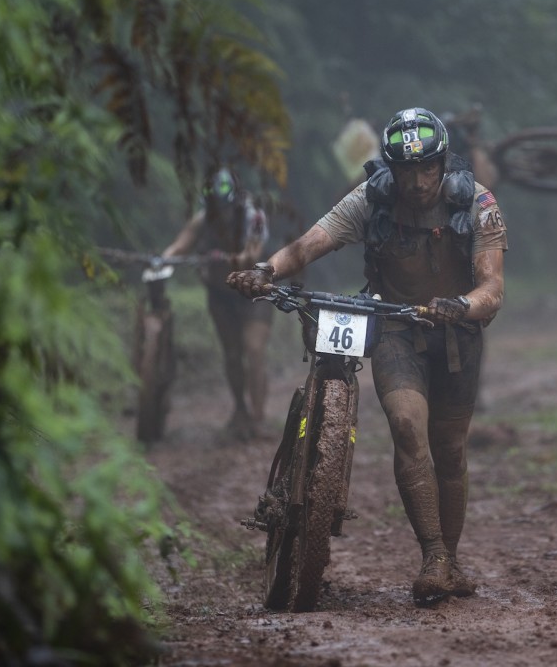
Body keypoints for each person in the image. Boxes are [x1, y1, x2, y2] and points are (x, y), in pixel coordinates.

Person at [227, 107, 507, 602]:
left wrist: (460, 306)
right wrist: (266, 270)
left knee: (449, 451)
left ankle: (452, 558)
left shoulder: (478, 204)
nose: (418, 182)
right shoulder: (370, 200)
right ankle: (434, 555)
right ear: (391, 168)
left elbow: (492, 288)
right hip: (397, 330)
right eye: (406, 170)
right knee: (404, 426)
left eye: (427, 169)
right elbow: (310, 243)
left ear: (443, 165)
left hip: (457, 337)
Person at [162, 167, 272, 441]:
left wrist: (234, 258)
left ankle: (258, 416)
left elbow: (254, 252)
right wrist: (162, 260)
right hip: (220, 294)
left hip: (253, 292)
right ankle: (240, 409)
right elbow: (180, 245)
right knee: (232, 354)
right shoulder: (202, 219)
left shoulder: (254, 216)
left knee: (254, 350)